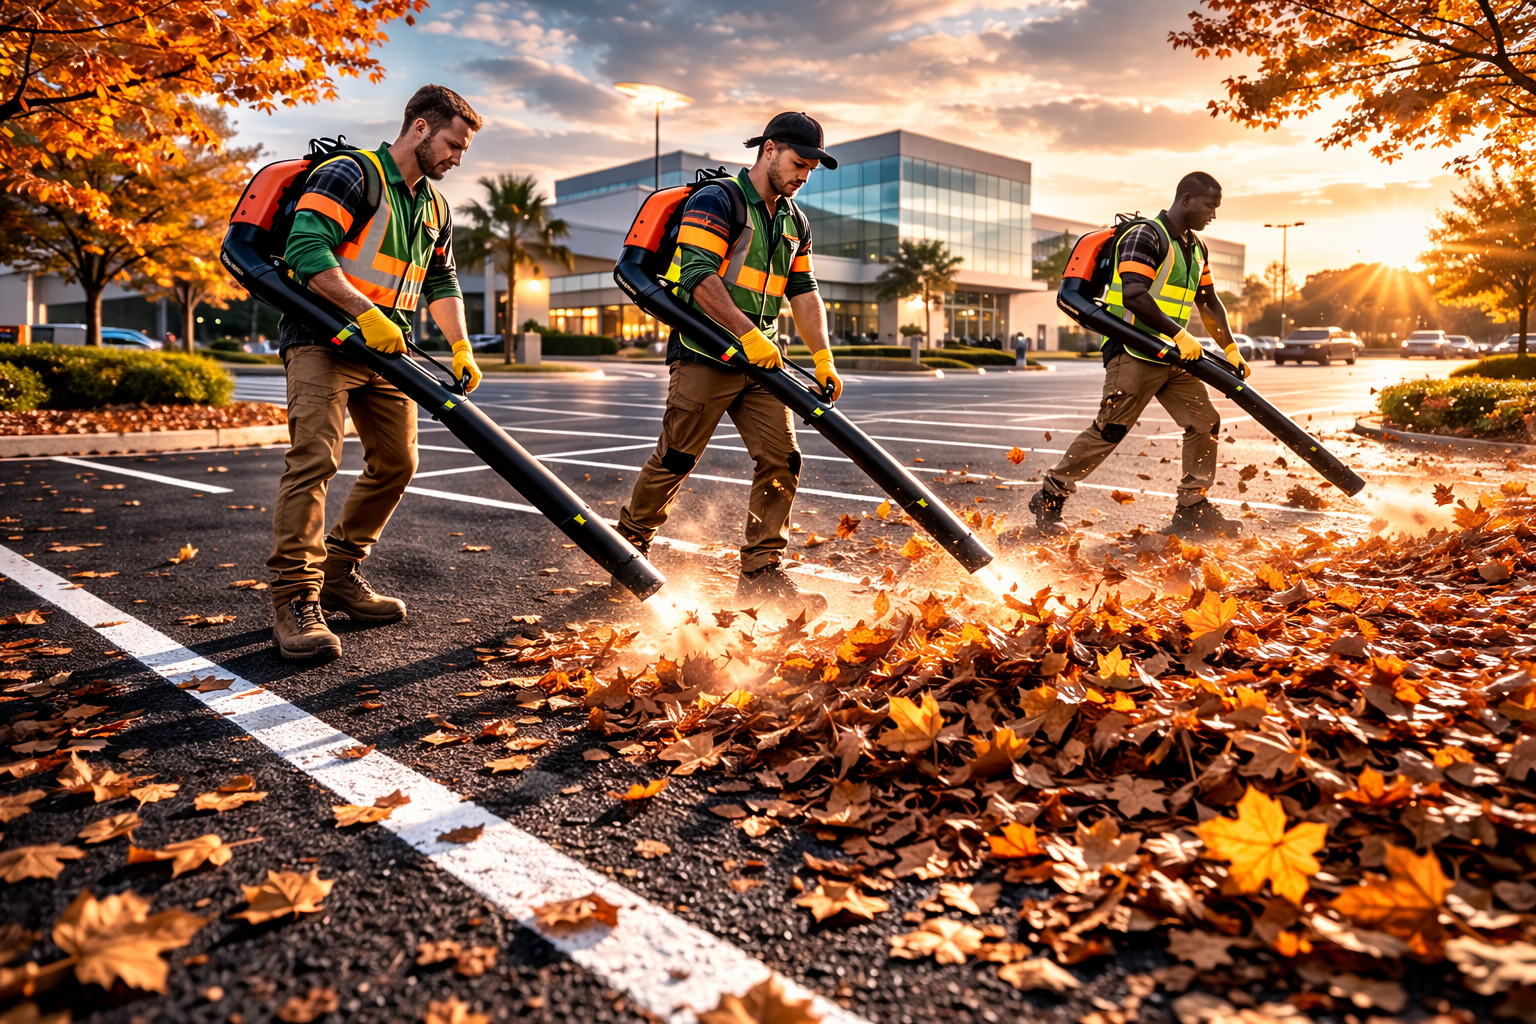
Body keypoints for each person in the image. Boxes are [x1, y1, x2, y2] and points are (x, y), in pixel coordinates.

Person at [267, 84, 483, 659]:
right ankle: (295, 598)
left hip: (390, 351)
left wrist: (461, 346)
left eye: (462, 150)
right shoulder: (349, 175)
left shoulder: (434, 205)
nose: (457, 158)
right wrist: (364, 313)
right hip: (323, 338)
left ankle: (339, 572)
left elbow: (441, 282)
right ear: (419, 128)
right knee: (314, 459)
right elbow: (307, 252)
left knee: (397, 461)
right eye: (453, 145)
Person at [617, 111, 843, 614]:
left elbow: (804, 292)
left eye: (810, 168)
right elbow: (697, 275)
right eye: (798, 163)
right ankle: (626, 547)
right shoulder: (719, 199)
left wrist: (823, 357)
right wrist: (745, 334)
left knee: (783, 460)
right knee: (677, 457)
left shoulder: (793, 221)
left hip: (761, 363)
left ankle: (761, 573)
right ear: (768, 150)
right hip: (705, 352)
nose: (804, 175)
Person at [1029, 171, 1249, 538]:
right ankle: (1050, 495)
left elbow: (1208, 302)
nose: (1214, 213)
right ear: (1187, 199)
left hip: (1175, 356)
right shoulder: (1146, 235)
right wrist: (1179, 333)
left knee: (1204, 421)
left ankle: (1192, 506)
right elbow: (1134, 294)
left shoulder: (1196, 248)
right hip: (1134, 349)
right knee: (1110, 429)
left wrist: (1230, 347)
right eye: (1210, 205)